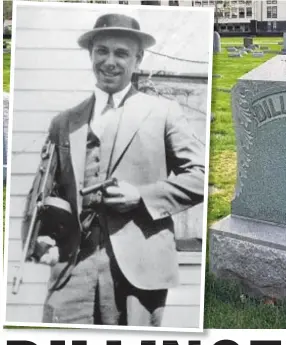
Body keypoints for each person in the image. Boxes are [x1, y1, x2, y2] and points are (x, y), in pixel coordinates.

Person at [22, 13, 205, 327]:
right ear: (90, 54)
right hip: (72, 266)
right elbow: (47, 192)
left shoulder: (163, 112)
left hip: (139, 268)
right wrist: (43, 238)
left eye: (121, 53)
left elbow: (200, 176)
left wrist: (142, 195)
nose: (110, 61)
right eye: (101, 51)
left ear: (138, 58)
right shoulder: (65, 121)